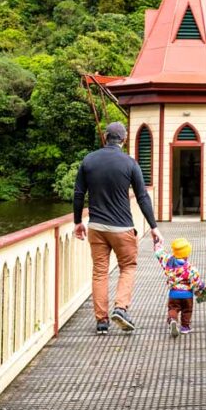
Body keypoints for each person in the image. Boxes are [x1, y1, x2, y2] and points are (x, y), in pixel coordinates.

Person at [73, 121, 162, 335]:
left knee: (100, 272)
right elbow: (142, 197)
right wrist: (154, 226)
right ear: (124, 139)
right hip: (122, 228)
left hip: (95, 226)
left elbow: (78, 194)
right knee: (128, 267)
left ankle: (101, 321)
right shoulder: (130, 163)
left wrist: (78, 222)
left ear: (105, 137)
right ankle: (121, 308)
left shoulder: (88, 160)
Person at [154, 237, 206, 336]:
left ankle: (173, 320)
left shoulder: (168, 261)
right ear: (187, 253)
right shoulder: (190, 268)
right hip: (187, 295)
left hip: (173, 294)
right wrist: (202, 287)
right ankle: (185, 327)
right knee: (187, 310)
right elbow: (196, 281)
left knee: (173, 309)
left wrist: (157, 244)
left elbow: (159, 254)